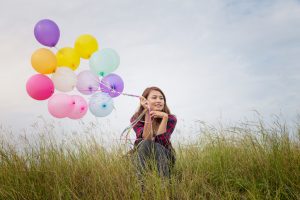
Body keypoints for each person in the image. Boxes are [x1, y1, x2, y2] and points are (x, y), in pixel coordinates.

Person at [129, 86, 177, 180]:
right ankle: (141, 184)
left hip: (165, 155)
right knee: (146, 143)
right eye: (154, 98)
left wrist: (165, 118)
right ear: (145, 100)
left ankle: (164, 184)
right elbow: (147, 138)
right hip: (143, 154)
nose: (159, 100)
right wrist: (147, 113)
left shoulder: (171, 118)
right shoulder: (135, 118)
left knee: (157, 146)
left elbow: (161, 142)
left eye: (161, 98)